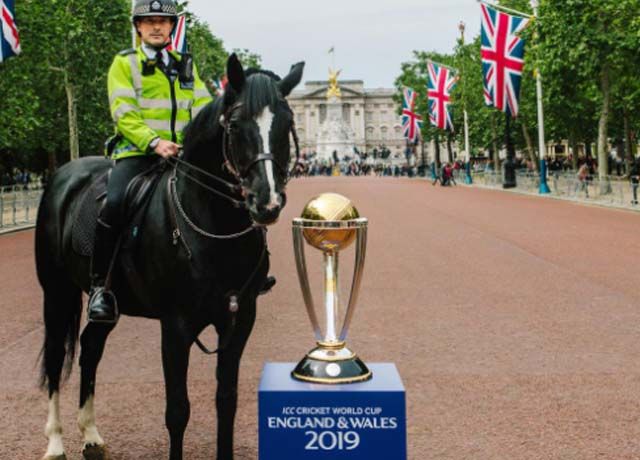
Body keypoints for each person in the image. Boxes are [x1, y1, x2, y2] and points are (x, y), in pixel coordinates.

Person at [87, 0, 212, 323]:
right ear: (138, 28)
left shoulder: (186, 64)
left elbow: (203, 109)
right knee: (113, 204)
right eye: (149, 21)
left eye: (163, 21)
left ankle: (242, 272)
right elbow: (123, 113)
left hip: (183, 157)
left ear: (172, 27)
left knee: (229, 194)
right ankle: (102, 287)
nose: (156, 26)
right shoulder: (124, 63)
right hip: (137, 155)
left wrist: (197, 144)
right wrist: (154, 142)